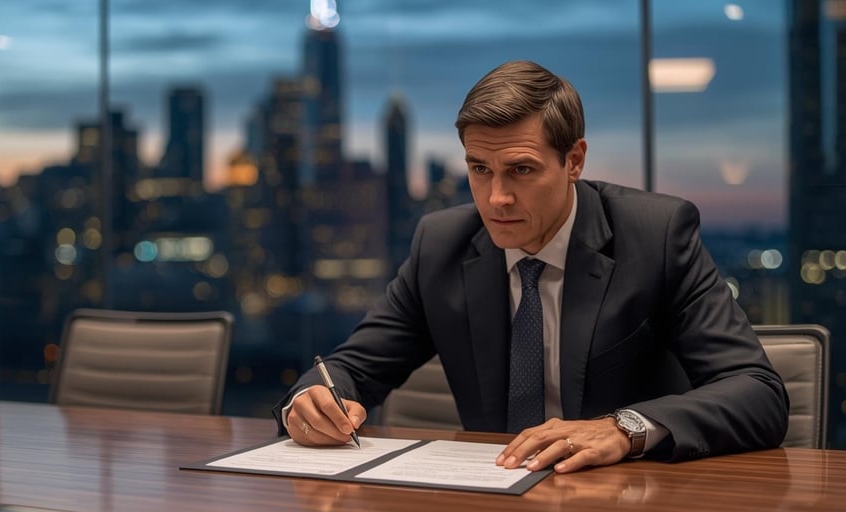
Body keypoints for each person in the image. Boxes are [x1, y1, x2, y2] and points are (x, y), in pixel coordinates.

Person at [273, 60, 789, 473]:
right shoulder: (442, 245)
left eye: (521, 170)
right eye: (480, 169)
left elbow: (758, 393)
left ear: (574, 161)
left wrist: (624, 427)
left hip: (630, 494)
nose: (496, 198)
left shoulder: (656, 234)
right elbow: (351, 368)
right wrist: (313, 401)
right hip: (494, 489)